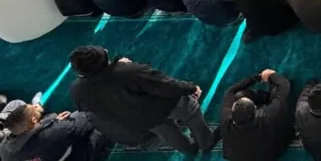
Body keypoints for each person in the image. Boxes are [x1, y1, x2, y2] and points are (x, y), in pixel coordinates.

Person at [68, 45, 214, 154]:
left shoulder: (77, 90)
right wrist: (191, 88)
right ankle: (206, 143)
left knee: (166, 131)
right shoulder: (129, 71)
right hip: (164, 106)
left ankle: (189, 150)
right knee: (190, 110)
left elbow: (97, 112)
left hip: (138, 119)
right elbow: (165, 85)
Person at [220, 68, 294, 161]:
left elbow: (230, 91)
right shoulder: (267, 116)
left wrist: (257, 78)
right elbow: (284, 85)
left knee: (239, 95)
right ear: (256, 109)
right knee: (277, 91)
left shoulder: (226, 118)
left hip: (236, 157)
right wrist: (268, 76)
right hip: (268, 155)